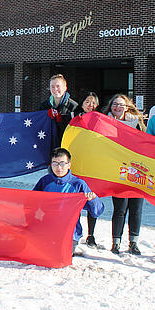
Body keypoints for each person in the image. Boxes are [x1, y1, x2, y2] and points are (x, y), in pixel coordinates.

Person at [33, 147, 104, 255]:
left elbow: (97, 211)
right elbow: (31, 201)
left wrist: (93, 199)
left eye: (62, 163)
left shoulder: (78, 184)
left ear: (69, 164)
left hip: (70, 232)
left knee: (59, 258)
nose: (59, 167)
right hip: (46, 230)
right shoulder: (45, 181)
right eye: (55, 163)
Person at [104, 94, 145, 255]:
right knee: (120, 209)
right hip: (118, 172)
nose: (117, 107)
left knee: (136, 208)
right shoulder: (104, 122)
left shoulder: (136, 123)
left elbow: (145, 143)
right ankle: (116, 242)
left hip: (137, 170)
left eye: (121, 104)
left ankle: (133, 243)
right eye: (114, 104)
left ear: (127, 107)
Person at [76, 91, 101, 248]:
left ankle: (91, 235)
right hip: (78, 164)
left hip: (94, 167)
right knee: (76, 200)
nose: (90, 104)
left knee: (92, 199)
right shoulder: (75, 119)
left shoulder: (101, 120)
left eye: (93, 102)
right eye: (87, 101)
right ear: (82, 103)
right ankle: (75, 233)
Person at [38, 74, 78, 145]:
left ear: (65, 88)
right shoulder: (44, 106)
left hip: (66, 144)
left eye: (58, 86)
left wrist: (61, 120)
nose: (55, 89)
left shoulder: (73, 107)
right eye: (52, 87)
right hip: (48, 144)